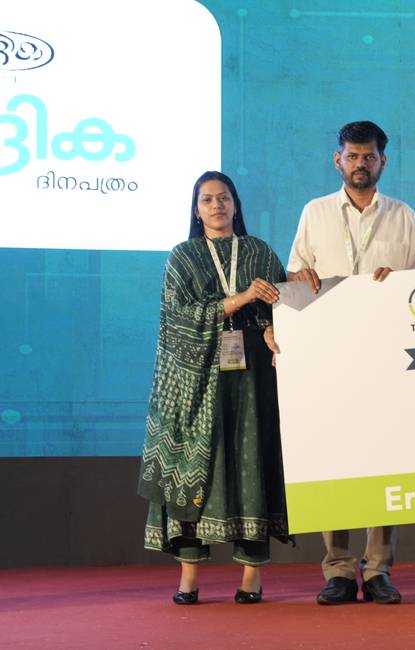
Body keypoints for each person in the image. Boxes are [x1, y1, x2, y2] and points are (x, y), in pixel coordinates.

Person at [286, 120, 415, 605]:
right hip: (329, 354)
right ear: (337, 160)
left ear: (383, 161)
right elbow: (295, 273)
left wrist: (397, 279)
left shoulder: (403, 215)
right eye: (352, 156)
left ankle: (379, 569)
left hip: (384, 354)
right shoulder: (315, 211)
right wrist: (301, 277)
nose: (360, 164)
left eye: (369, 156)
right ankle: (340, 570)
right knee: (334, 459)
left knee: (384, 459)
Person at [139, 171, 288, 605]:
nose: (217, 205)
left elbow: (282, 308)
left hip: (253, 377)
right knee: (192, 469)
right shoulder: (183, 256)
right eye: (207, 200)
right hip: (197, 381)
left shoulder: (260, 252)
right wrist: (242, 298)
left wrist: (272, 328)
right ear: (196, 209)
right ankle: (189, 578)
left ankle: (251, 578)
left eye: (224, 198)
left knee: (252, 462)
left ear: (236, 205)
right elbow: (178, 317)